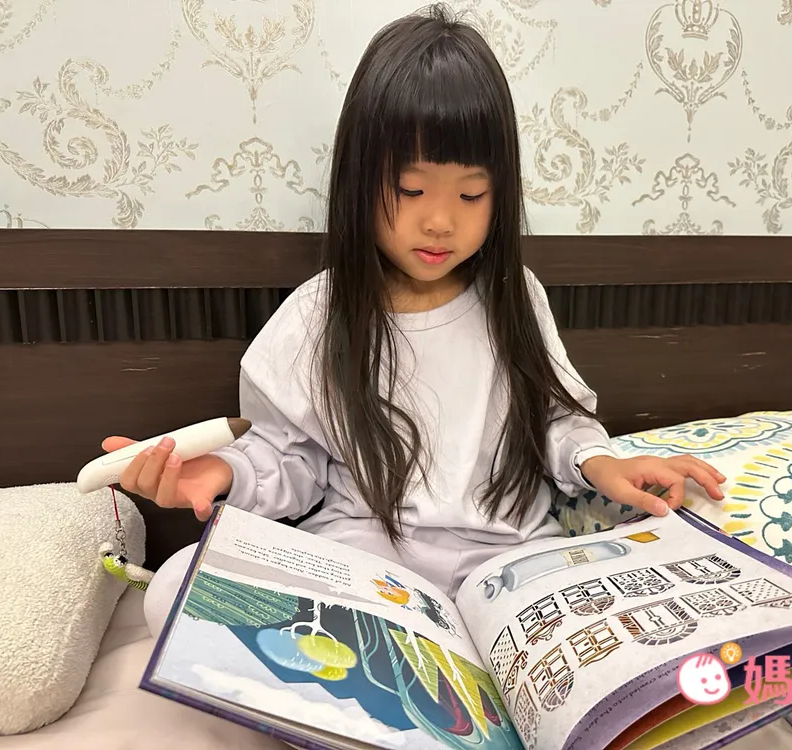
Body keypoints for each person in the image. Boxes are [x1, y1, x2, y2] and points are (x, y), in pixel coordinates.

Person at [101, 3, 726, 637]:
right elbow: (290, 458)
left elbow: (556, 420)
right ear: (360, 180)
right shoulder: (318, 314)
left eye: (471, 194)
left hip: (513, 560)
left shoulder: (515, 297)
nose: (440, 221)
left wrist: (601, 463)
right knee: (178, 585)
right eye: (411, 189)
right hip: (366, 563)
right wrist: (223, 472)